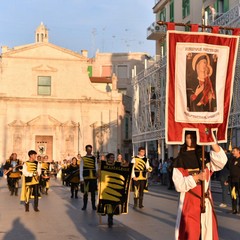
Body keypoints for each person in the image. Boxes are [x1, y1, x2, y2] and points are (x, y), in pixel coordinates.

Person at [172, 131, 227, 240]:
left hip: (205, 201)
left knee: (208, 234)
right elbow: (179, 185)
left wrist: (210, 139)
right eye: (189, 137)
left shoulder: (205, 156)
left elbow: (221, 161)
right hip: (189, 202)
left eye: (194, 137)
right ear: (185, 139)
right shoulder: (180, 159)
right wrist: (197, 177)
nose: (191, 140)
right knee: (190, 233)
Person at [80, 144, 98, 210]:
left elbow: (96, 167)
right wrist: (81, 178)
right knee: (85, 192)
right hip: (86, 178)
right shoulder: (83, 158)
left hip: (93, 177)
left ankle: (93, 205)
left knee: (93, 193)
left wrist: (97, 174)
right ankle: (85, 205)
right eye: (88, 150)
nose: (89, 151)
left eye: (90, 150)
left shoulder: (94, 158)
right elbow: (81, 168)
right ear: (86, 150)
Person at [228, 147, 240, 214]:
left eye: (234, 151)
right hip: (233, 181)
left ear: (238, 151)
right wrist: (228, 180)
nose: (232, 152)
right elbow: (231, 171)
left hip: (239, 181)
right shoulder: (232, 160)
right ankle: (234, 209)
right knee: (233, 195)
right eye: (232, 151)